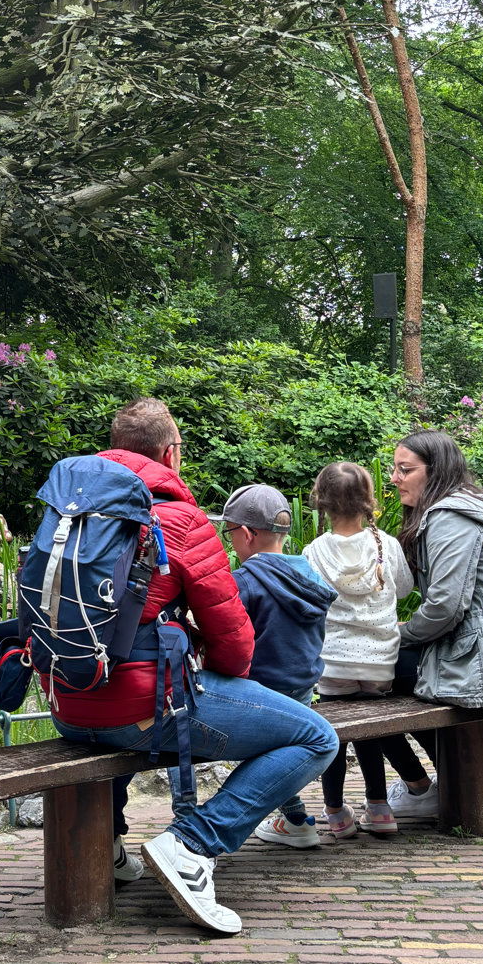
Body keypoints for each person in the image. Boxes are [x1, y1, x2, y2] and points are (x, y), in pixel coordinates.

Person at [45, 399, 338, 936]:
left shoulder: (67, 513)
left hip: (69, 703)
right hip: (139, 709)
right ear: (170, 454)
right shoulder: (180, 519)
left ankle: (109, 848)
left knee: (127, 721)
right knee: (316, 737)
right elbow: (232, 638)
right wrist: (227, 676)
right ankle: (192, 844)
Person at [381, 430, 483, 822]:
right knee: (380, 671)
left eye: (405, 469)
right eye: (394, 468)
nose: (394, 477)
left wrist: (394, 635)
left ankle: (419, 787)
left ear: (435, 471)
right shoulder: (469, 506)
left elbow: (445, 607)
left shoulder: (448, 516)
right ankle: (433, 783)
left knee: (369, 675)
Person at [215, 483, 337, 849]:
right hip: (302, 692)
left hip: (261, 695)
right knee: (280, 744)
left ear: (248, 534)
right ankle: (295, 817)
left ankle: (190, 814)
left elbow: (229, 644)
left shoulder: (245, 583)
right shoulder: (309, 575)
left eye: (230, 532)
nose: (230, 540)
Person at [302, 461, 417, 838]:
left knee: (334, 731)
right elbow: (403, 589)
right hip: (381, 661)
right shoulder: (387, 545)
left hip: (333, 662)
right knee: (368, 728)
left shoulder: (314, 552)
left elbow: (309, 603)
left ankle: (335, 813)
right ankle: (380, 808)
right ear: (369, 500)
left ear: (321, 503)